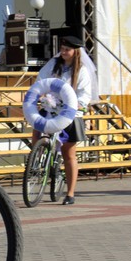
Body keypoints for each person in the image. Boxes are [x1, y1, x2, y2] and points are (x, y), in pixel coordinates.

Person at [32, 36, 98, 205]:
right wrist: (38, 95)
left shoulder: (81, 70)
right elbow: (41, 80)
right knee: (36, 128)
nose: (63, 52)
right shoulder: (54, 65)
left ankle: (70, 192)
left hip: (70, 113)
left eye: (67, 50)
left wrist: (79, 105)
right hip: (52, 107)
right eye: (62, 48)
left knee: (69, 154)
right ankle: (35, 158)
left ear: (75, 51)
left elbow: (84, 94)